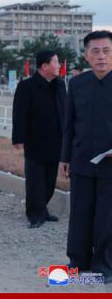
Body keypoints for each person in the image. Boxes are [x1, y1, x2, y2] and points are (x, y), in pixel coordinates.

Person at [60, 30, 112, 283]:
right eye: (95, 51)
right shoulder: (77, 83)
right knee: (80, 213)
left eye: (106, 50)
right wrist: (65, 158)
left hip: (110, 165)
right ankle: (77, 261)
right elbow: (69, 124)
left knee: (106, 216)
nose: (101, 56)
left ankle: (103, 265)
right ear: (86, 55)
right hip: (81, 160)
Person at [12, 50, 66, 228]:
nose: (59, 66)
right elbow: (19, 113)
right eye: (56, 62)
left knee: (50, 179)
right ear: (44, 66)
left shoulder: (59, 85)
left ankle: (43, 209)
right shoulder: (27, 86)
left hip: (56, 140)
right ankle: (34, 214)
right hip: (35, 139)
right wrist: (18, 138)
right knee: (35, 180)